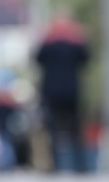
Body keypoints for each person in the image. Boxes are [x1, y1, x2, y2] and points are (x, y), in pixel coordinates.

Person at [34, 15, 90, 172]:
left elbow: (37, 59)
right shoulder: (75, 45)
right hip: (71, 91)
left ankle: (56, 165)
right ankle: (79, 166)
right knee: (75, 130)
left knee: (54, 130)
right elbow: (86, 59)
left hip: (53, 92)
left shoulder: (49, 45)